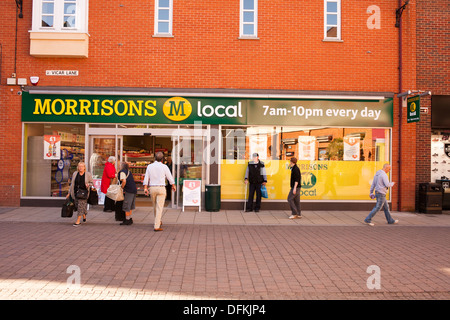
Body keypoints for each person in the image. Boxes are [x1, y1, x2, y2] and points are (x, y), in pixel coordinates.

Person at [143, 152, 176, 232]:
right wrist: (173, 185)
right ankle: (157, 226)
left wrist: (145, 188)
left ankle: (158, 221)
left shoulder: (149, 166)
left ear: (155, 158)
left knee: (155, 206)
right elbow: (169, 176)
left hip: (152, 188)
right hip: (161, 188)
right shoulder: (164, 166)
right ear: (162, 159)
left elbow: (146, 177)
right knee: (159, 207)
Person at [68, 162, 93, 227]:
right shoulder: (75, 174)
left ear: (84, 167)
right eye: (79, 166)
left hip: (84, 193)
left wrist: (88, 184)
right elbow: (72, 184)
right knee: (77, 205)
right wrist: (69, 192)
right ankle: (84, 215)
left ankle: (78, 221)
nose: (80, 168)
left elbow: (92, 183)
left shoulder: (88, 174)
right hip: (76, 192)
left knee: (80, 206)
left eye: (82, 166)